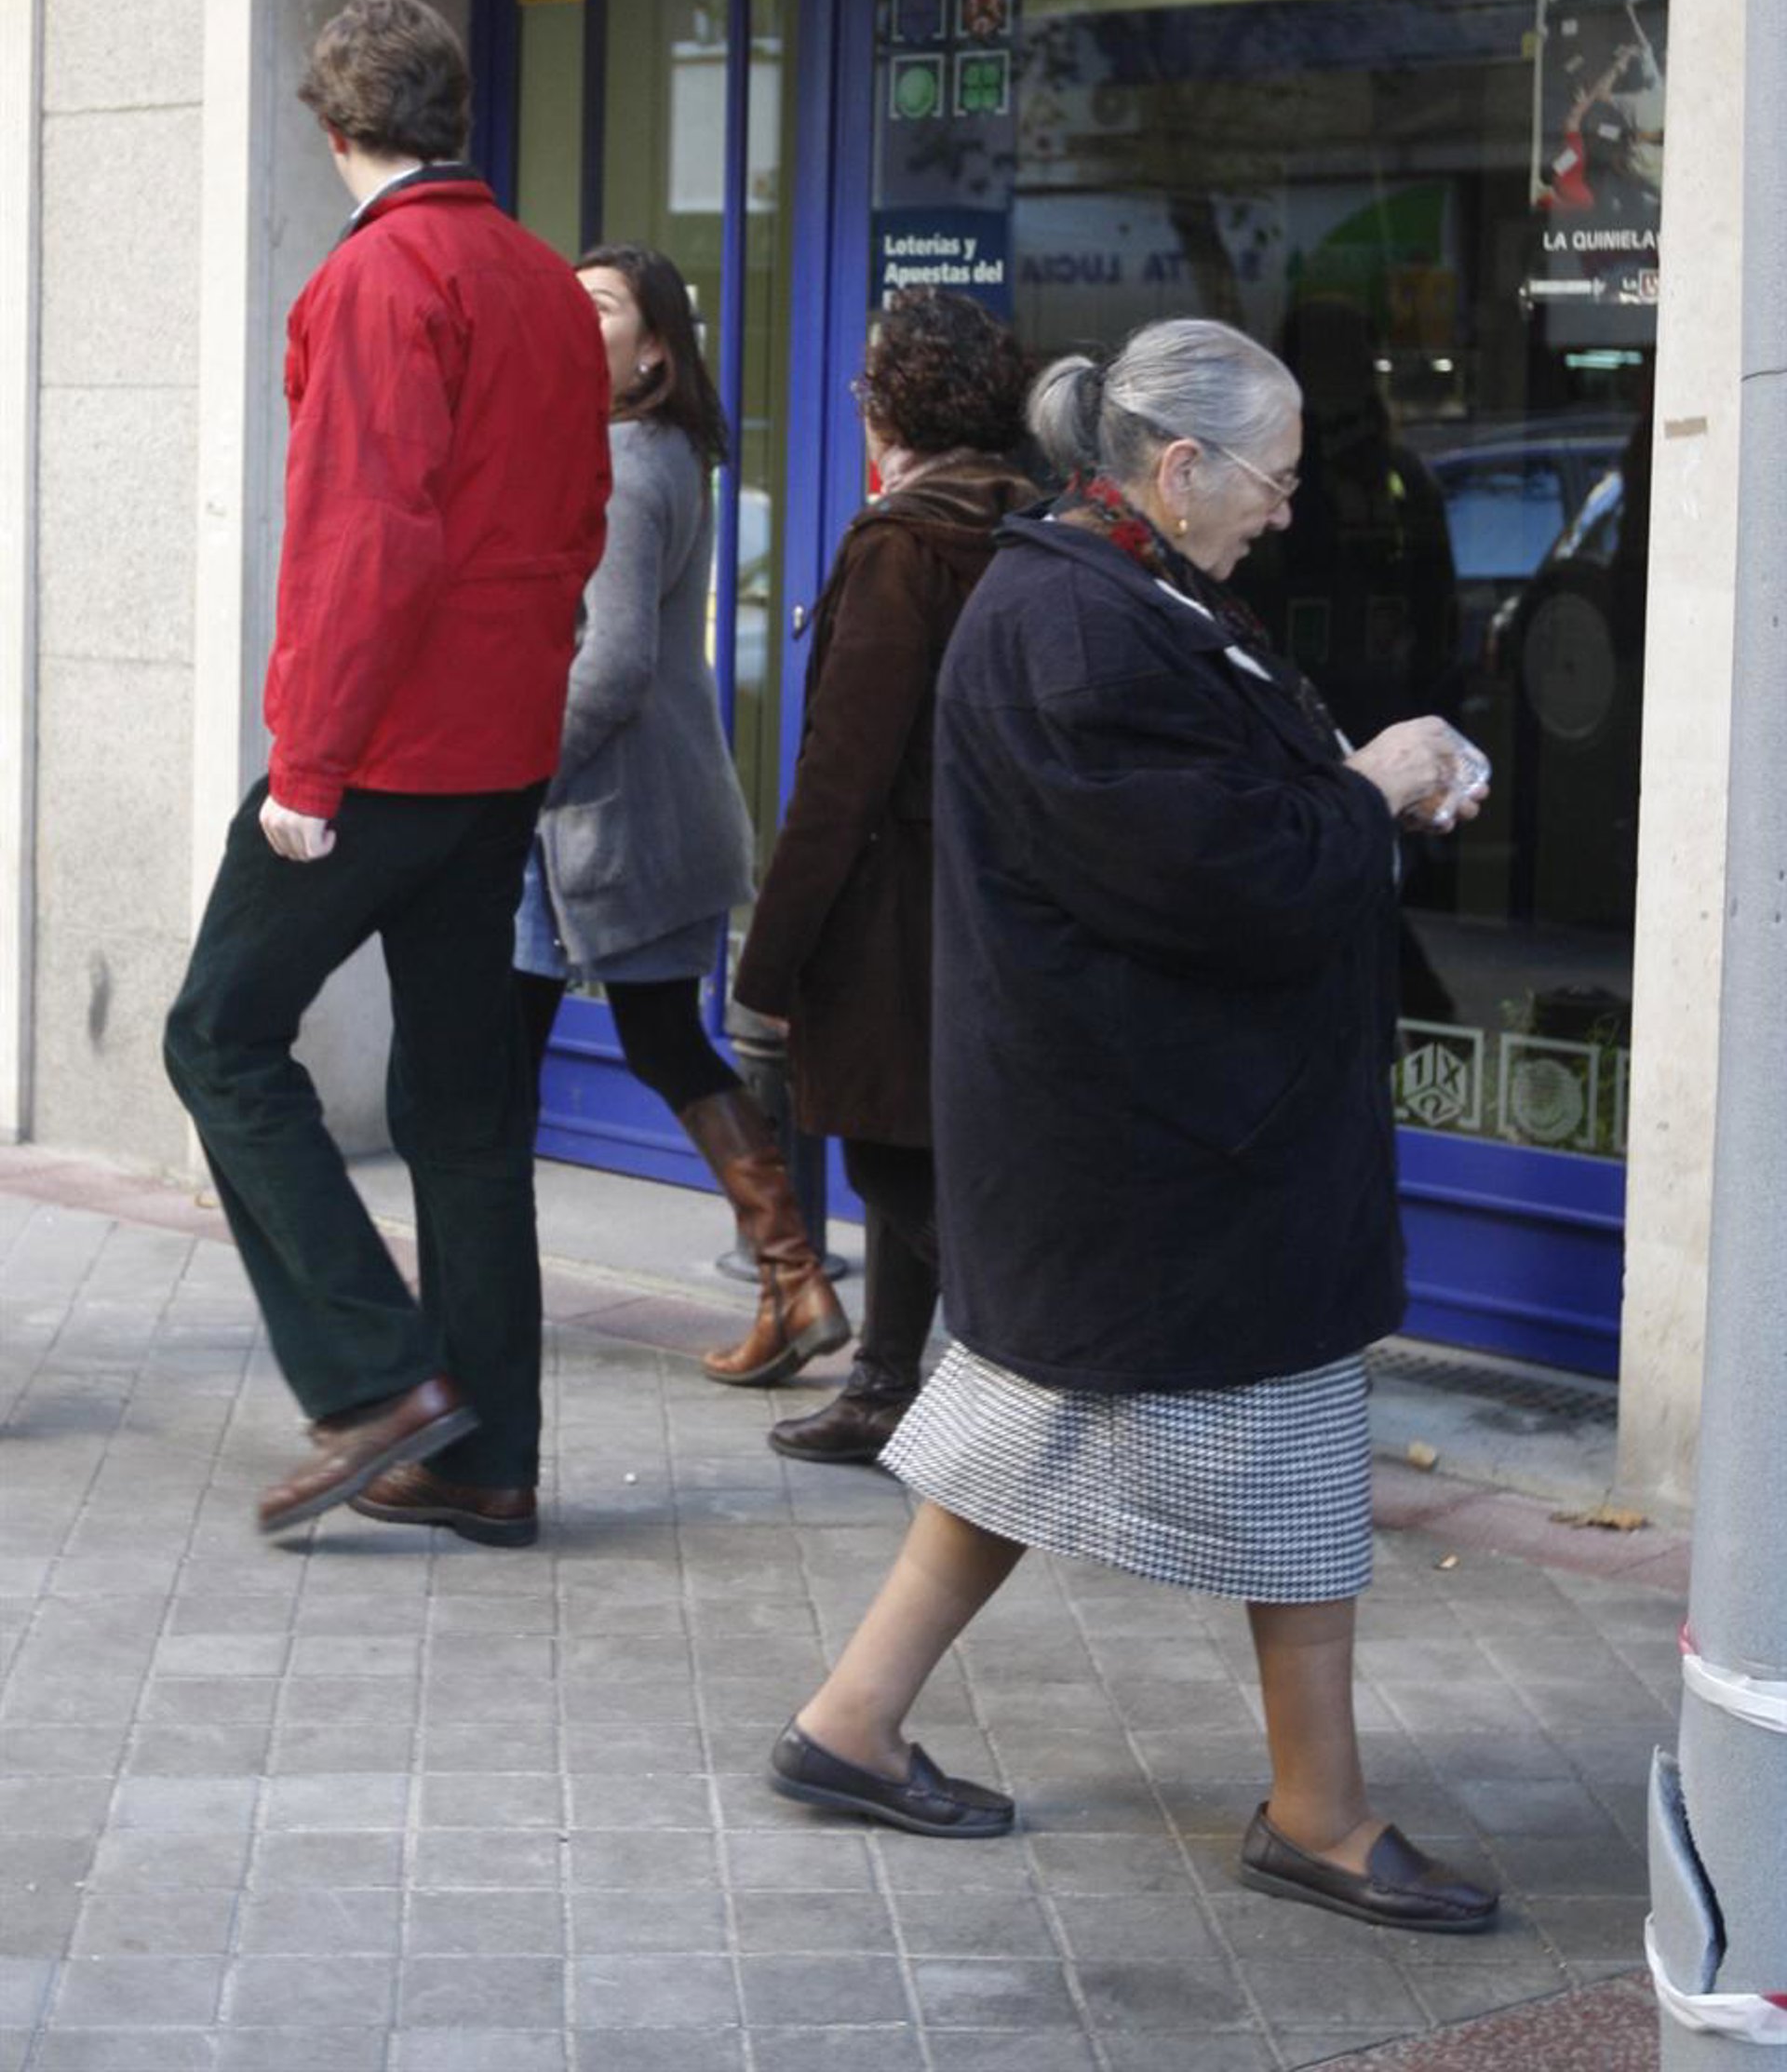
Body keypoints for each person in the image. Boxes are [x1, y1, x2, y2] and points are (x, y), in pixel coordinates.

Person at [767, 317, 1500, 1938]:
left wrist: (1366, 783)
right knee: (1289, 1463)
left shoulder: (1117, 586)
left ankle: (852, 1720)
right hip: (1169, 1152)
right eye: (1276, 480)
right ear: (1178, 467)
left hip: (1145, 1141)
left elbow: (1215, 820)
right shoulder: (1080, 620)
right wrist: (1369, 790)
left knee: (1024, 1437)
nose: (1290, 510)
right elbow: (1220, 876)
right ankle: (1319, 1814)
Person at [163, 0, 611, 1544]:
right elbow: (578, 523)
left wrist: (309, 765)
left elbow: (369, 533)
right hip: (500, 752)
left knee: (218, 1035)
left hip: (386, 751)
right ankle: (489, 1461)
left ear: (333, 121)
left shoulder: (379, 275)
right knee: (466, 1111)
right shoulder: (544, 280)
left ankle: (375, 1380)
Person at [362, 244, 845, 1460]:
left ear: (655, 350)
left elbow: (615, 663)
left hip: (606, 813)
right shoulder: (639, 449)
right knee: (581, 1048)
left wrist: (512, 778)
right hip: (607, 816)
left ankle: (770, 1278)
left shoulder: (630, 463)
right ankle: (784, 1282)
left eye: (603, 307)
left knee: (573, 1055)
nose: (576, 322)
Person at [733, 288, 1034, 1465]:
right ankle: (883, 1385)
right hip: (999, 896)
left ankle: (1055, 1375)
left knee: (888, 1153)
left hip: (899, 907)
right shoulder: (1029, 519)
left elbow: (840, 775)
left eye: (869, 389)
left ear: (892, 409)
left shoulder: (902, 545)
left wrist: (773, 960)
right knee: (921, 1138)